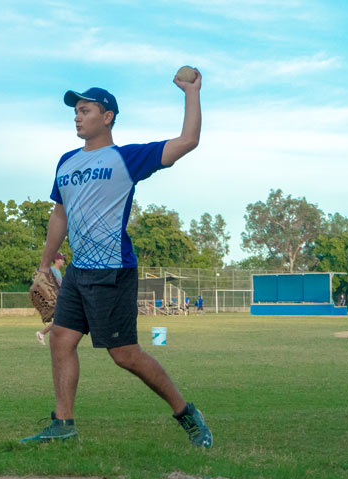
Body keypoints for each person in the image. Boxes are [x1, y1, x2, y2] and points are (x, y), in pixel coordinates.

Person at [21, 69, 212, 448]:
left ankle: (186, 412)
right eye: (75, 110)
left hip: (113, 269)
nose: (77, 116)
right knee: (60, 339)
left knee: (124, 354)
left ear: (107, 116)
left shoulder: (127, 158)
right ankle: (63, 424)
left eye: (85, 110)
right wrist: (45, 264)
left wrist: (191, 93)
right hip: (78, 270)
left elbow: (188, 141)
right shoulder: (66, 162)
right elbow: (60, 214)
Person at [35, 252, 67, 345]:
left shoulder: (57, 271)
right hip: (54, 299)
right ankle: (41, 333)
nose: (63, 261)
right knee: (60, 319)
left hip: (58, 298)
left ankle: (46, 335)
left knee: (61, 320)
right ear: (56, 260)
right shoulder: (52, 270)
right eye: (61, 259)